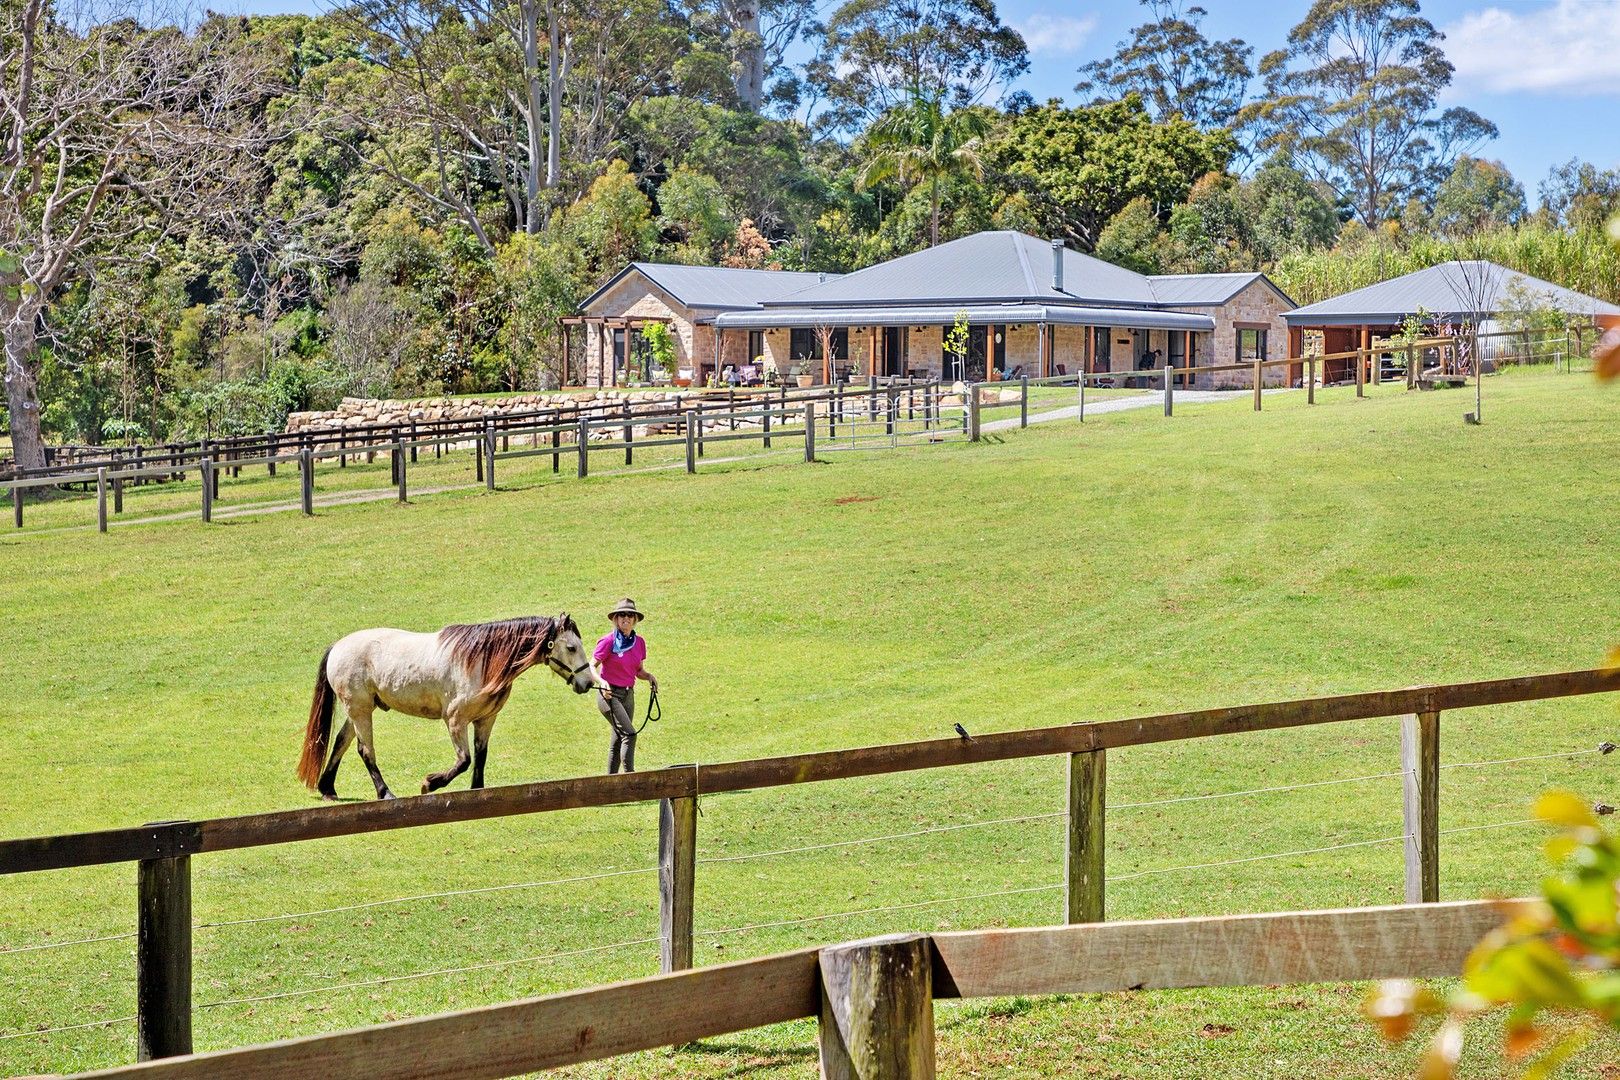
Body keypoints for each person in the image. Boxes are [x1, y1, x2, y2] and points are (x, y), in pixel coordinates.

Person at [592, 598, 658, 774]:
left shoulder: (639, 643)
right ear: (616, 619)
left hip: (628, 695)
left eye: (630, 615)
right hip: (609, 695)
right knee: (629, 734)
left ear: (635, 619)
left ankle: (611, 783)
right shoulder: (608, 641)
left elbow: (638, 671)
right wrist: (602, 682)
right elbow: (591, 667)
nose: (626, 618)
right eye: (622, 615)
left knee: (618, 739)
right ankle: (631, 779)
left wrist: (649, 677)